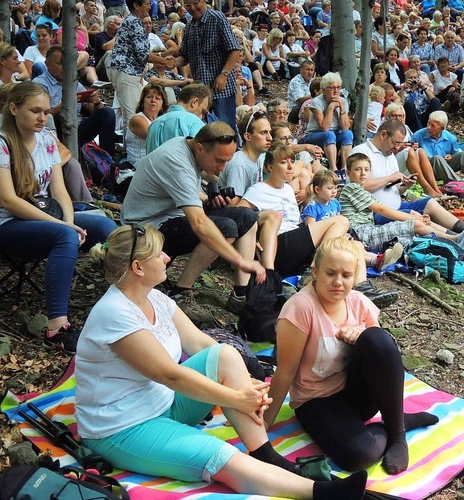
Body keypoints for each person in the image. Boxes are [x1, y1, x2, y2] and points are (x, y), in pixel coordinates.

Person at [76, 225, 368, 500]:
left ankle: (265, 455)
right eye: (159, 254)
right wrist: (235, 398)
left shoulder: (155, 298)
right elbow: (170, 375)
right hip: (123, 427)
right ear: (138, 268)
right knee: (219, 454)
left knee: (226, 355)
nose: (167, 258)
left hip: (163, 404)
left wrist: (239, 378)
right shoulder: (115, 314)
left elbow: (202, 344)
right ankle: (320, 493)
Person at [265, 236, 439, 474]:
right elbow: (285, 371)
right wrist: (264, 423)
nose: (338, 282)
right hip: (317, 402)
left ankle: (397, 433)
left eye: (346, 276)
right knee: (360, 456)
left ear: (355, 275)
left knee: (376, 337)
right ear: (315, 271)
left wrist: (363, 335)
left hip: (357, 395)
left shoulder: (359, 302)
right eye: (330, 273)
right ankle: (394, 422)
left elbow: (382, 355)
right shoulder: (300, 308)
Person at [0, 82, 116, 353]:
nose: (42, 117)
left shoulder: (45, 139)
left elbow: (60, 191)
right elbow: (9, 200)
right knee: (64, 235)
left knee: (104, 225)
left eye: (45, 111)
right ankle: (56, 327)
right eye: (35, 111)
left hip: (44, 215)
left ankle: (121, 302)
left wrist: (68, 219)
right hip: (4, 224)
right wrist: (64, 226)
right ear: (14, 109)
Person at [122, 122, 265, 309]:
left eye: (227, 161)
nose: (222, 168)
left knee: (248, 217)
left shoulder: (190, 146)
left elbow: (206, 175)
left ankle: (240, 294)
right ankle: (181, 291)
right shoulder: (176, 161)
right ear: (200, 148)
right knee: (226, 228)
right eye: (219, 160)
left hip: (171, 215)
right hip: (146, 227)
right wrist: (241, 261)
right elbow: (199, 224)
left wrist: (212, 192)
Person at [238, 145, 399, 307]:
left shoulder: (287, 189)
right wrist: (254, 240)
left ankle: (362, 290)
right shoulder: (258, 189)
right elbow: (241, 216)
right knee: (341, 221)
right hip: (279, 246)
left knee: (353, 245)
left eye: (291, 162)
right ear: (270, 167)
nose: (290, 166)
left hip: (296, 243)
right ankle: (315, 265)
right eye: (283, 162)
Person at [341, 152, 464, 251]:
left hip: (369, 230)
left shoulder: (362, 191)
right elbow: (381, 210)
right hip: (360, 234)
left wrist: (419, 217)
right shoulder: (352, 188)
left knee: (415, 225)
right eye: (358, 169)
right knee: (414, 224)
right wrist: (413, 218)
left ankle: (456, 239)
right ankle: (456, 241)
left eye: (366, 170)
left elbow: (383, 207)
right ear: (348, 172)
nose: (363, 173)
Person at [34, 45, 118, 157]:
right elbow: (42, 117)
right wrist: (66, 104)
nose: (64, 67)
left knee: (108, 113)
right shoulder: (39, 84)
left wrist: (96, 102)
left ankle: (107, 161)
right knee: (60, 116)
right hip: (56, 131)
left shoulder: (73, 82)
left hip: (77, 128)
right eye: (59, 63)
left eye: (66, 63)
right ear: (47, 64)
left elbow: (92, 109)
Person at [108, 0, 175, 139]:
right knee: (133, 117)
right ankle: (131, 154)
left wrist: (165, 56)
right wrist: (164, 61)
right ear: (136, 5)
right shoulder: (134, 22)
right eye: (146, 4)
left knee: (135, 113)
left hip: (129, 71)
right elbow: (143, 54)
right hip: (126, 71)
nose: (150, 6)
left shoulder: (133, 21)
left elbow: (143, 52)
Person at [176, 0, 242, 131]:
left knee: (225, 130)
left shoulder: (217, 18)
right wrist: (171, 62)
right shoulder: (189, 26)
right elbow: (184, 57)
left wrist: (224, 75)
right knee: (205, 132)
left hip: (220, 90)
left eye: (195, 3)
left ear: (203, 1)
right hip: (200, 92)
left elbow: (235, 49)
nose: (193, 8)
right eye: (188, 5)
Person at [384, 103, 444, 198]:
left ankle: (435, 188)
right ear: (387, 117)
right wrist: (400, 148)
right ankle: (427, 188)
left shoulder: (406, 128)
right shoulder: (384, 129)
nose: (398, 118)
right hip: (389, 165)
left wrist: (412, 145)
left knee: (420, 151)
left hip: (404, 164)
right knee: (409, 151)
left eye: (400, 116)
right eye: (394, 115)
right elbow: (383, 152)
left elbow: (410, 144)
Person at [300, 72, 353, 173]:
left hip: (334, 134)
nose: (336, 91)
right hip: (314, 135)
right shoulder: (317, 102)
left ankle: (345, 170)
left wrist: (342, 108)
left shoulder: (343, 101)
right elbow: (324, 127)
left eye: (338, 87)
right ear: (324, 90)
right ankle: (334, 169)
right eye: (332, 88)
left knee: (348, 134)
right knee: (329, 134)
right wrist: (331, 108)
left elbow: (346, 127)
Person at [412, 110, 464, 185]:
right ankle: (457, 183)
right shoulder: (418, 136)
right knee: (437, 158)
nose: (429, 127)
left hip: (446, 168)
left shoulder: (450, 138)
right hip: (428, 169)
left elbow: (455, 153)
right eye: (428, 123)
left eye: (433, 125)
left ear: (442, 128)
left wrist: (451, 156)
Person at [146, 83, 212, 153]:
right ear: (194, 102)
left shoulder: (154, 123)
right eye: (202, 111)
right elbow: (203, 156)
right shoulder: (194, 121)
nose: (201, 116)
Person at [220, 110, 272, 198]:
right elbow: (233, 207)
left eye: (269, 132)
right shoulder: (239, 164)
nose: (270, 138)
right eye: (263, 133)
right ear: (248, 137)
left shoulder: (257, 157)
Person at [125, 84, 168, 165]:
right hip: (138, 165)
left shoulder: (161, 120)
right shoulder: (137, 119)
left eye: (158, 98)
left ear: (162, 105)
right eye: (149, 97)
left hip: (156, 163)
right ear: (143, 102)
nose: (153, 100)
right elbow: (155, 139)